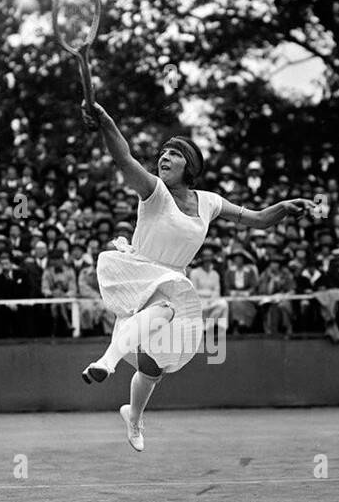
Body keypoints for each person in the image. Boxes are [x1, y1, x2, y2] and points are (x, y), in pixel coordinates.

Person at [78, 102, 316, 451]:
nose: (164, 158)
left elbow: (258, 220)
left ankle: (134, 417)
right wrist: (106, 120)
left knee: (152, 367)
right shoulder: (154, 192)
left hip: (174, 280)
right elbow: (124, 159)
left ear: (190, 165)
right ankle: (106, 362)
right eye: (162, 153)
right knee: (165, 309)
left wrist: (284, 206)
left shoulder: (209, 202)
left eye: (174, 154)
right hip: (142, 274)